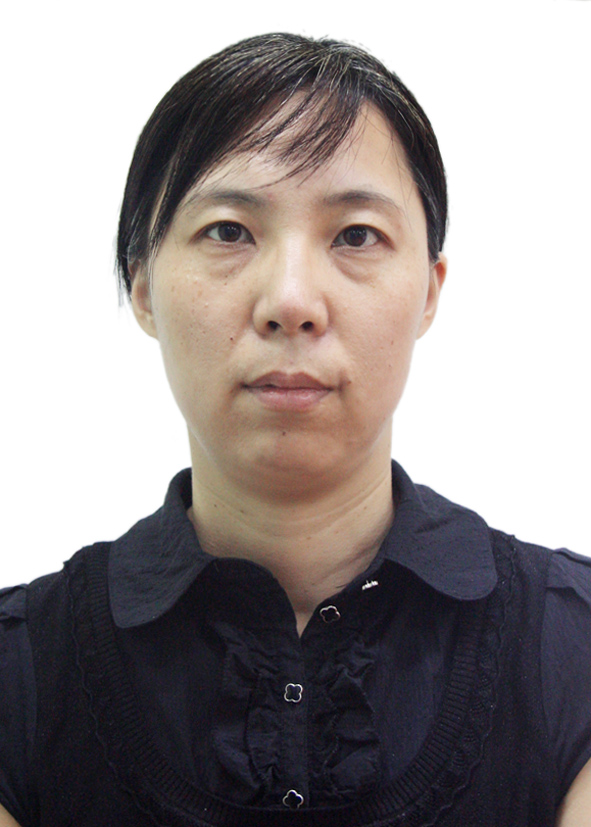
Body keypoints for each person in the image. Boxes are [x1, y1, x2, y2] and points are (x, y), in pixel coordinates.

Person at [0, 31, 590, 827]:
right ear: (141, 286)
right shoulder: (19, 672)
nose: (290, 300)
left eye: (355, 235)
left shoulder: (573, 649)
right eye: (228, 231)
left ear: (428, 290)